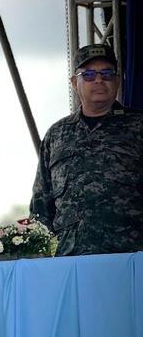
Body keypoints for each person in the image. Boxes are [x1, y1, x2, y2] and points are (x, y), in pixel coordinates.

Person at [30, 43, 143, 256]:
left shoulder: (138, 126)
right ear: (74, 83)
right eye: (89, 74)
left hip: (131, 258)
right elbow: (41, 205)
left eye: (107, 73)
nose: (99, 80)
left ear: (118, 81)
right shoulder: (57, 134)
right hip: (71, 259)